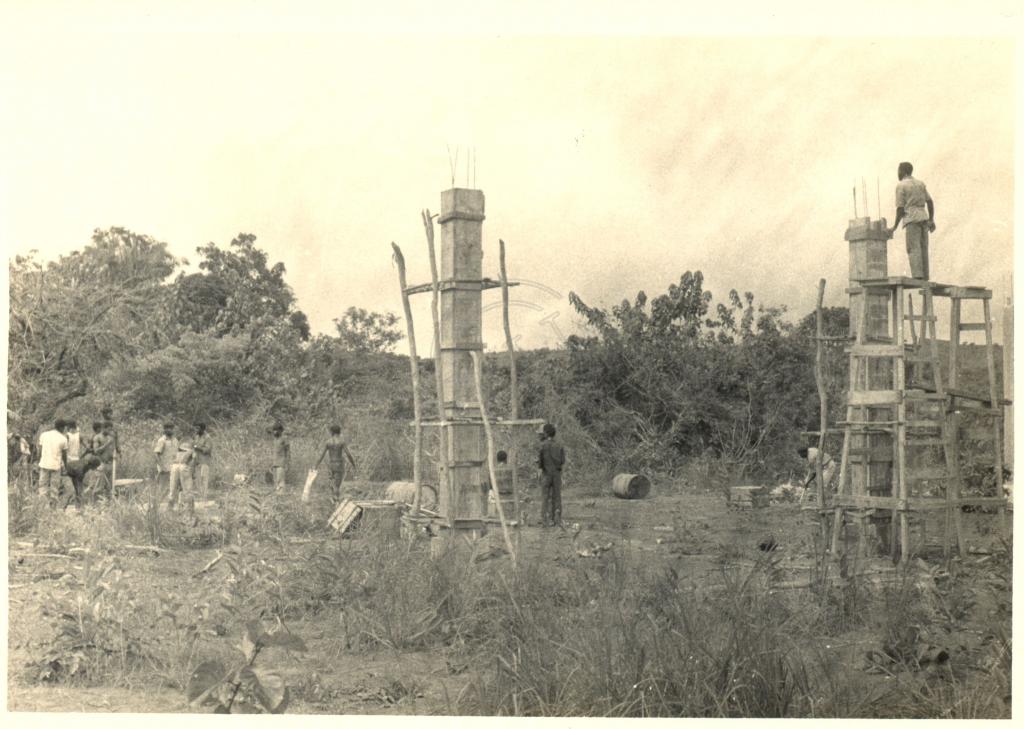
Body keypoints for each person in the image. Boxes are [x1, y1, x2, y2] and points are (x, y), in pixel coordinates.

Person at [887, 162, 936, 281]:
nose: (897, 173)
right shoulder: (920, 184)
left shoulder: (901, 185)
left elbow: (900, 209)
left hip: (912, 219)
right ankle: (925, 276)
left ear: (903, 171)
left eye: (899, 170)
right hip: (923, 218)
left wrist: (894, 226)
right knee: (923, 247)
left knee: (913, 248)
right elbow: (930, 202)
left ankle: (917, 276)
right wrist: (931, 219)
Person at [314, 425, 357, 502]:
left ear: (332, 432)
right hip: (339, 465)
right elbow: (348, 454)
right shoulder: (341, 442)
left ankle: (333, 501)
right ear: (339, 432)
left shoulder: (328, 442)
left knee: (332, 483)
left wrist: (316, 466)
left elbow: (321, 455)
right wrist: (353, 464)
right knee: (337, 485)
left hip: (331, 465)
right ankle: (336, 501)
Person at [537, 423, 566, 527]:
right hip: (557, 474)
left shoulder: (543, 445)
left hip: (546, 474)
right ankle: (556, 519)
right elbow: (563, 460)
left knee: (545, 497)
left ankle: (545, 520)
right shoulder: (559, 445)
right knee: (557, 496)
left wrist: (541, 468)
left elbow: (540, 462)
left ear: (546, 433)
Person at [37, 419, 70, 506]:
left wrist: (38, 461)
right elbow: (64, 456)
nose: (64, 429)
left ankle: (42, 506)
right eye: (64, 427)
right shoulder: (63, 438)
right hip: (56, 466)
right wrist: (65, 467)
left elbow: (39, 451)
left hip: (44, 464)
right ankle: (53, 507)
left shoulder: (44, 435)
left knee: (43, 486)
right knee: (54, 488)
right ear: (61, 427)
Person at [166, 437, 195, 512]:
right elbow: (193, 461)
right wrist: (192, 473)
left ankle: (170, 507)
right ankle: (189, 508)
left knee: (172, 488)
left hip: (174, 466)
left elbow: (171, 459)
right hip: (184, 466)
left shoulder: (177, 450)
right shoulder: (191, 450)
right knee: (187, 488)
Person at [154, 423, 179, 502]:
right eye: (167, 428)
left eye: (171, 428)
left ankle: (171, 506)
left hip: (174, 468)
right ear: (164, 430)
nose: (170, 430)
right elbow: (156, 454)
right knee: (162, 488)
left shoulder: (175, 440)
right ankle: (157, 506)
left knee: (174, 488)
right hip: (164, 469)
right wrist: (161, 467)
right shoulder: (162, 440)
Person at [192, 423, 213, 500]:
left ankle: (204, 497)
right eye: (196, 428)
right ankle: (200, 496)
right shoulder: (196, 436)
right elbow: (193, 446)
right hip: (197, 461)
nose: (196, 430)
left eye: (198, 428)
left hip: (205, 461)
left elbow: (207, 450)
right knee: (198, 480)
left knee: (204, 479)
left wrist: (197, 447)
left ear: (202, 429)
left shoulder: (207, 438)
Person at [271, 424, 290, 491]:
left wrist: (287, 463)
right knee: (275, 481)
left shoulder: (284, 439)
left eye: (276, 430)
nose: (274, 432)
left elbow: (288, 452)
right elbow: (274, 452)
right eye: (274, 430)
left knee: (280, 481)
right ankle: (276, 496)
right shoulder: (275, 439)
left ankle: (281, 495)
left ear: (280, 431)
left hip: (281, 463)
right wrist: (271, 463)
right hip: (274, 463)